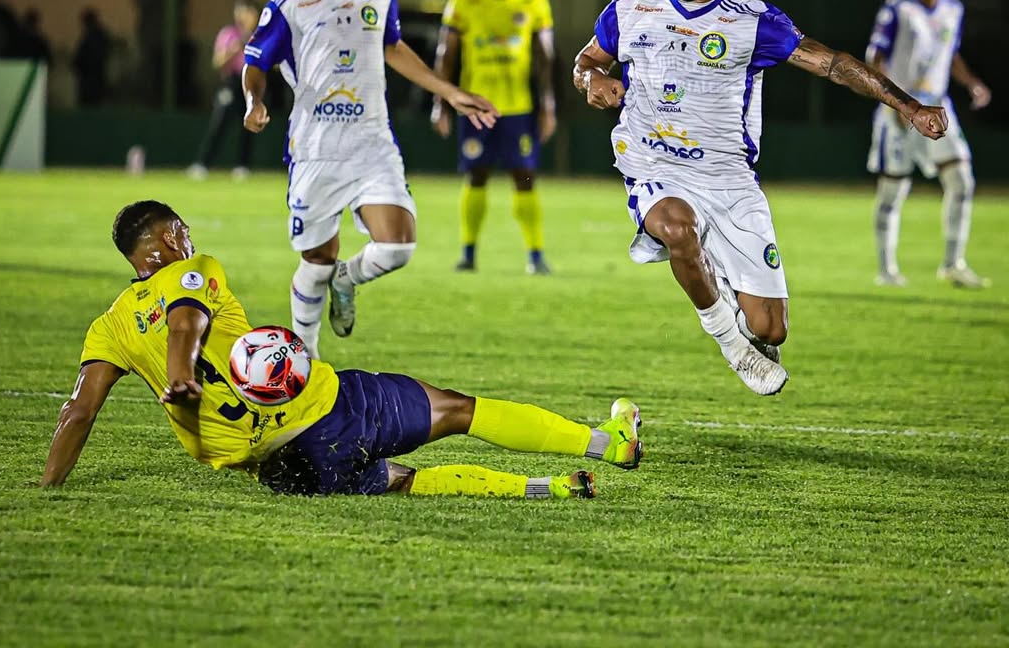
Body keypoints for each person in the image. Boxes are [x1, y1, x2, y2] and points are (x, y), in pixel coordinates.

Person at [572, 0, 949, 396]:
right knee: (678, 228)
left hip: (730, 182)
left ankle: (726, 297)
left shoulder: (753, 22)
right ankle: (731, 345)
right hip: (654, 165)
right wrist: (591, 79)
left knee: (770, 330)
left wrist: (909, 106)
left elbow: (834, 65)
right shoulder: (631, 9)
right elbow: (587, 61)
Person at [40, 201, 643, 498]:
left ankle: (550, 488)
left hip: (285, 471)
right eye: (184, 232)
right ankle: (607, 444)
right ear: (169, 239)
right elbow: (184, 323)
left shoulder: (108, 327)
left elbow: (79, 412)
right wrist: (181, 373)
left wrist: (48, 488)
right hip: (330, 411)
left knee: (403, 482)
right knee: (459, 410)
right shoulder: (192, 270)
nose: (189, 240)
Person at [242, 0, 498, 359]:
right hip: (316, 148)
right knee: (316, 261)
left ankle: (347, 278)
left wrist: (449, 92)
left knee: (398, 246)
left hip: (372, 143)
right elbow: (255, 63)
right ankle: (307, 363)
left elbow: (392, 47)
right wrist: (253, 101)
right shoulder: (290, 3)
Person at [431, 0, 557, 275]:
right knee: (476, 175)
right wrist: (441, 103)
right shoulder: (464, 1)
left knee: (524, 177)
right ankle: (468, 253)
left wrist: (548, 107)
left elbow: (545, 59)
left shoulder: (534, 2)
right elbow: (446, 55)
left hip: (518, 108)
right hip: (476, 107)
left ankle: (535, 255)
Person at [866, 0, 992, 288]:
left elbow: (951, 54)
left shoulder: (954, 9)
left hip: (937, 107)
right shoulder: (898, 8)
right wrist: (893, 102)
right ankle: (887, 271)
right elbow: (875, 55)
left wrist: (972, 83)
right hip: (903, 105)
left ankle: (953, 264)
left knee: (962, 180)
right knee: (893, 189)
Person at [188, 0, 262, 181]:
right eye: (240, 11)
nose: (243, 16)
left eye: (247, 12)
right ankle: (202, 164)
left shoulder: (260, 36)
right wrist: (235, 48)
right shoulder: (229, 34)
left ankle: (242, 166)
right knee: (220, 122)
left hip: (251, 82)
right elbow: (217, 62)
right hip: (232, 81)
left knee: (249, 125)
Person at [72, 7, 111, 106]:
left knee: (91, 104)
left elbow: (92, 57)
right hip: (93, 77)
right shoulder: (97, 36)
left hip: (91, 78)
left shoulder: (94, 36)